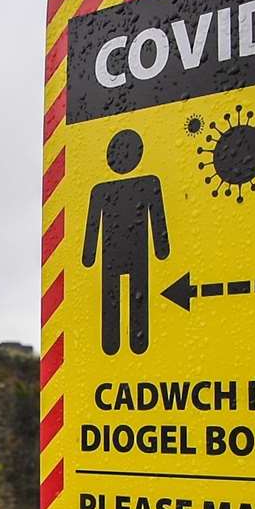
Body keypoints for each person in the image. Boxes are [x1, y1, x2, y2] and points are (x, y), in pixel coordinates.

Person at [83, 129, 170, 355]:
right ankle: (112, 343)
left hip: (131, 252)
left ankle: (137, 343)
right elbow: (93, 224)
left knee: (136, 295)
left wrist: (162, 250)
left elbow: (157, 218)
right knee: (112, 297)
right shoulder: (100, 191)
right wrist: (89, 255)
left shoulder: (149, 183)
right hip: (114, 253)